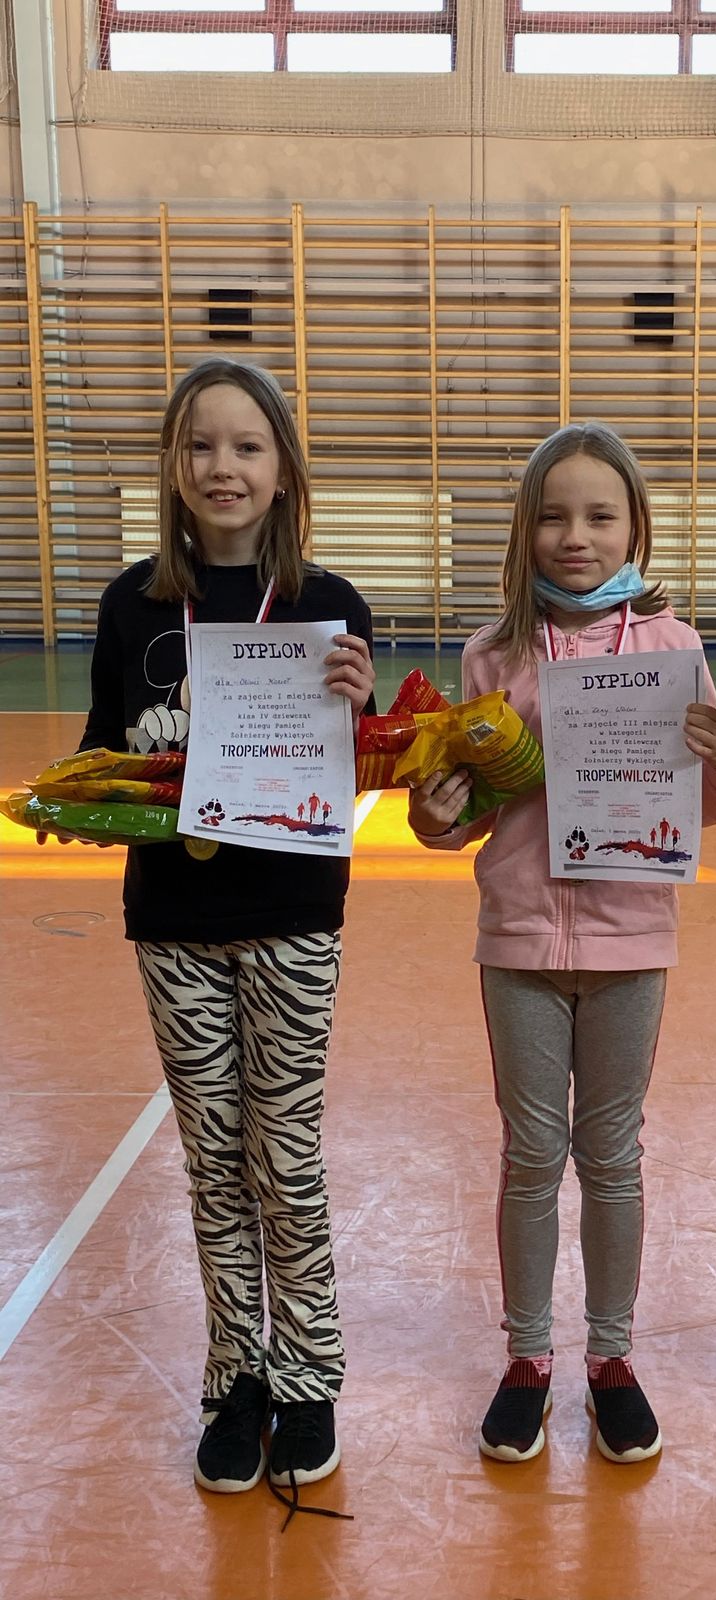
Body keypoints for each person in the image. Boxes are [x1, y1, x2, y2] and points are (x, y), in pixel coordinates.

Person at [409, 421, 716, 1465]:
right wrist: (434, 814)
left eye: (600, 516)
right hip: (518, 940)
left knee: (611, 1156)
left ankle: (611, 1359)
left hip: (631, 942)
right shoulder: (492, 652)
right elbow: (464, 812)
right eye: (554, 516)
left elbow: (715, 804)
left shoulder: (674, 648)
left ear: (634, 528)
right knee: (530, 1156)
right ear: (524, 530)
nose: (576, 536)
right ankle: (527, 1358)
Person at [73, 358, 375, 1519]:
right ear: (172, 463)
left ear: (283, 469)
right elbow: (104, 752)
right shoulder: (131, 606)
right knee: (211, 1157)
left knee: (283, 1155)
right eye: (200, 444)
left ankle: (309, 1374)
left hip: (292, 915)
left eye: (247, 446)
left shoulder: (330, 606)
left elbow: (363, 769)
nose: (222, 466)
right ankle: (235, 1377)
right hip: (173, 923)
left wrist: (361, 706)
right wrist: (86, 805)